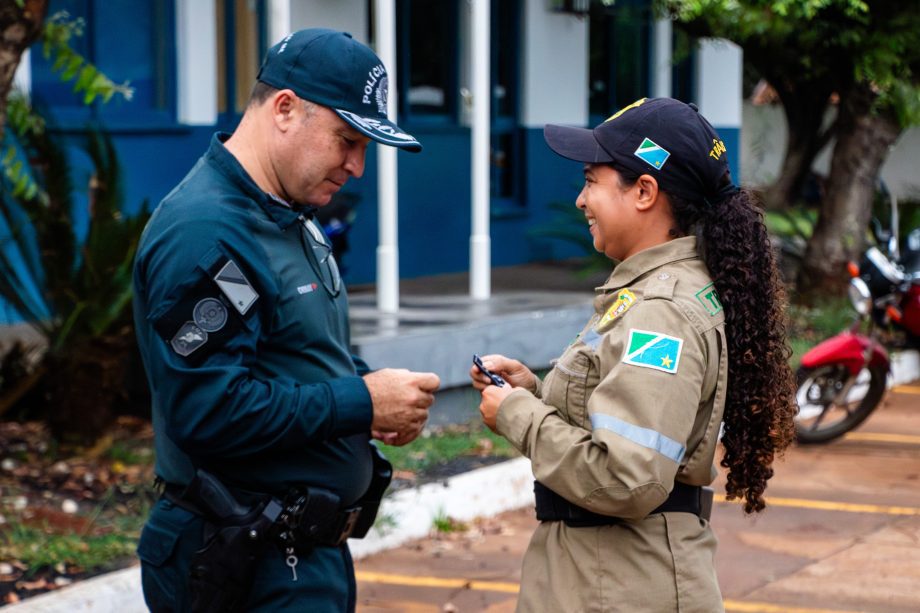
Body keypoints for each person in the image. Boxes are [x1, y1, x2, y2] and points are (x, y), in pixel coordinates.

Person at [133, 28, 440, 612]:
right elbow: (208, 410)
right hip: (241, 557)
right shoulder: (209, 231)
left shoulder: (285, 211)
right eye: (346, 140)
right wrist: (360, 402)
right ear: (284, 109)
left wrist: (370, 391)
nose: (357, 166)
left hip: (293, 554)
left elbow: (299, 346)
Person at [471, 97, 797, 612]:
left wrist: (520, 416)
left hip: (618, 585)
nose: (580, 200)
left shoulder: (660, 311)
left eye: (591, 180)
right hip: (607, 576)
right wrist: (533, 392)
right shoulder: (651, 295)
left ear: (644, 191)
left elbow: (628, 478)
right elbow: (620, 415)